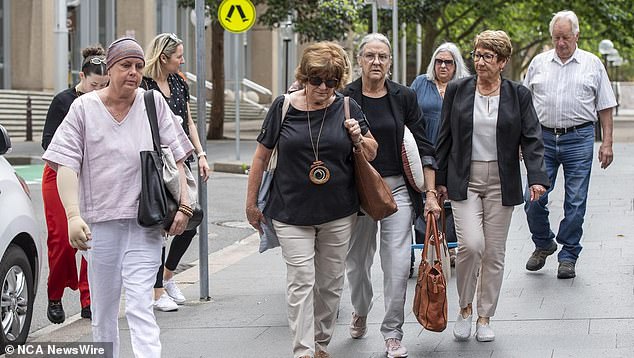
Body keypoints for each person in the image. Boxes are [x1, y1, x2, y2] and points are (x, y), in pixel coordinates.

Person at [42, 37, 194, 358]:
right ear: (110, 69)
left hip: (146, 223)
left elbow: (178, 158)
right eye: (126, 65)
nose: (133, 72)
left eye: (138, 66)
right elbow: (66, 162)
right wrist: (72, 215)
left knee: (141, 303)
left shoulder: (152, 102)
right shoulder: (83, 107)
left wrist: (184, 204)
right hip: (100, 226)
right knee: (104, 310)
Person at [245, 41, 377, 358]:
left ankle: (320, 342)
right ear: (304, 76)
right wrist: (251, 204)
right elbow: (261, 158)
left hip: (338, 212)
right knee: (301, 281)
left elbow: (374, 151)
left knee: (330, 284)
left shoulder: (347, 108)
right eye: (316, 80)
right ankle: (303, 351)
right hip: (290, 211)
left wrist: (358, 137)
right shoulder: (283, 107)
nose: (323, 87)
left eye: (331, 81)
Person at [435, 30, 549, 342]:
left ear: (502, 62)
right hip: (465, 177)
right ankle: (465, 308)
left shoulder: (517, 95)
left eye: (488, 56)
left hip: (502, 179)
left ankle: (485, 315)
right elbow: (443, 138)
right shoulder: (458, 90)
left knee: (494, 253)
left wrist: (537, 177)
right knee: (471, 245)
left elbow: (532, 138)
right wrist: (438, 183)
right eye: (477, 54)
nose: (480, 61)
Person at [341, 33, 441, 358]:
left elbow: (424, 144)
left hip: (397, 188)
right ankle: (360, 308)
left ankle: (393, 334)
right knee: (356, 264)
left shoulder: (404, 96)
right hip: (358, 191)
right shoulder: (345, 98)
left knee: (397, 264)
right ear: (359, 60)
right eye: (370, 56)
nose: (376, 62)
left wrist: (429, 193)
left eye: (382, 57)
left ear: (390, 62)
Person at [523, 10, 616, 279]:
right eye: (556, 37)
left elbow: (605, 106)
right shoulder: (539, 63)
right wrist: (520, 140)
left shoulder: (592, 64)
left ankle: (568, 254)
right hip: (542, 139)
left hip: (579, 138)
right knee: (533, 199)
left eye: (565, 37)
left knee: (575, 201)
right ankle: (543, 243)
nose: (560, 42)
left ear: (577, 35)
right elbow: (524, 106)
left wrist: (607, 142)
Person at [141, 32, 210, 312]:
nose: (182, 60)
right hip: (156, 163)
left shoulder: (179, 82)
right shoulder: (144, 85)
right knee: (160, 223)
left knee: (192, 216)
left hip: (181, 158)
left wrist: (201, 153)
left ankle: (168, 276)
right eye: (179, 56)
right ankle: (156, 292)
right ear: (163, 57)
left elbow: (189, 121)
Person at [41, 45, 109, 324]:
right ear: (82, 75)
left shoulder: (107, 101)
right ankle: (55, 295)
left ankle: (88, 299)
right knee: (62, 241)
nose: (98, 90)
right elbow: (48, 143)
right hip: (59, 174)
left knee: (92, 241)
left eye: (104, 85)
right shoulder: (63, 100)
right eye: (94, 84)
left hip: (93, 175)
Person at [410, 42, 470, 269]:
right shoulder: (420, 83)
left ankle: (451, 247)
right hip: (424, 149)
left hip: (452, 152)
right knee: (425, 197)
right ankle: (426, 246)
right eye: (439, 61)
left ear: (456, 65)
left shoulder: (464, 86)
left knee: (450, 197)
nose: (443, 66)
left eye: (448, 62)